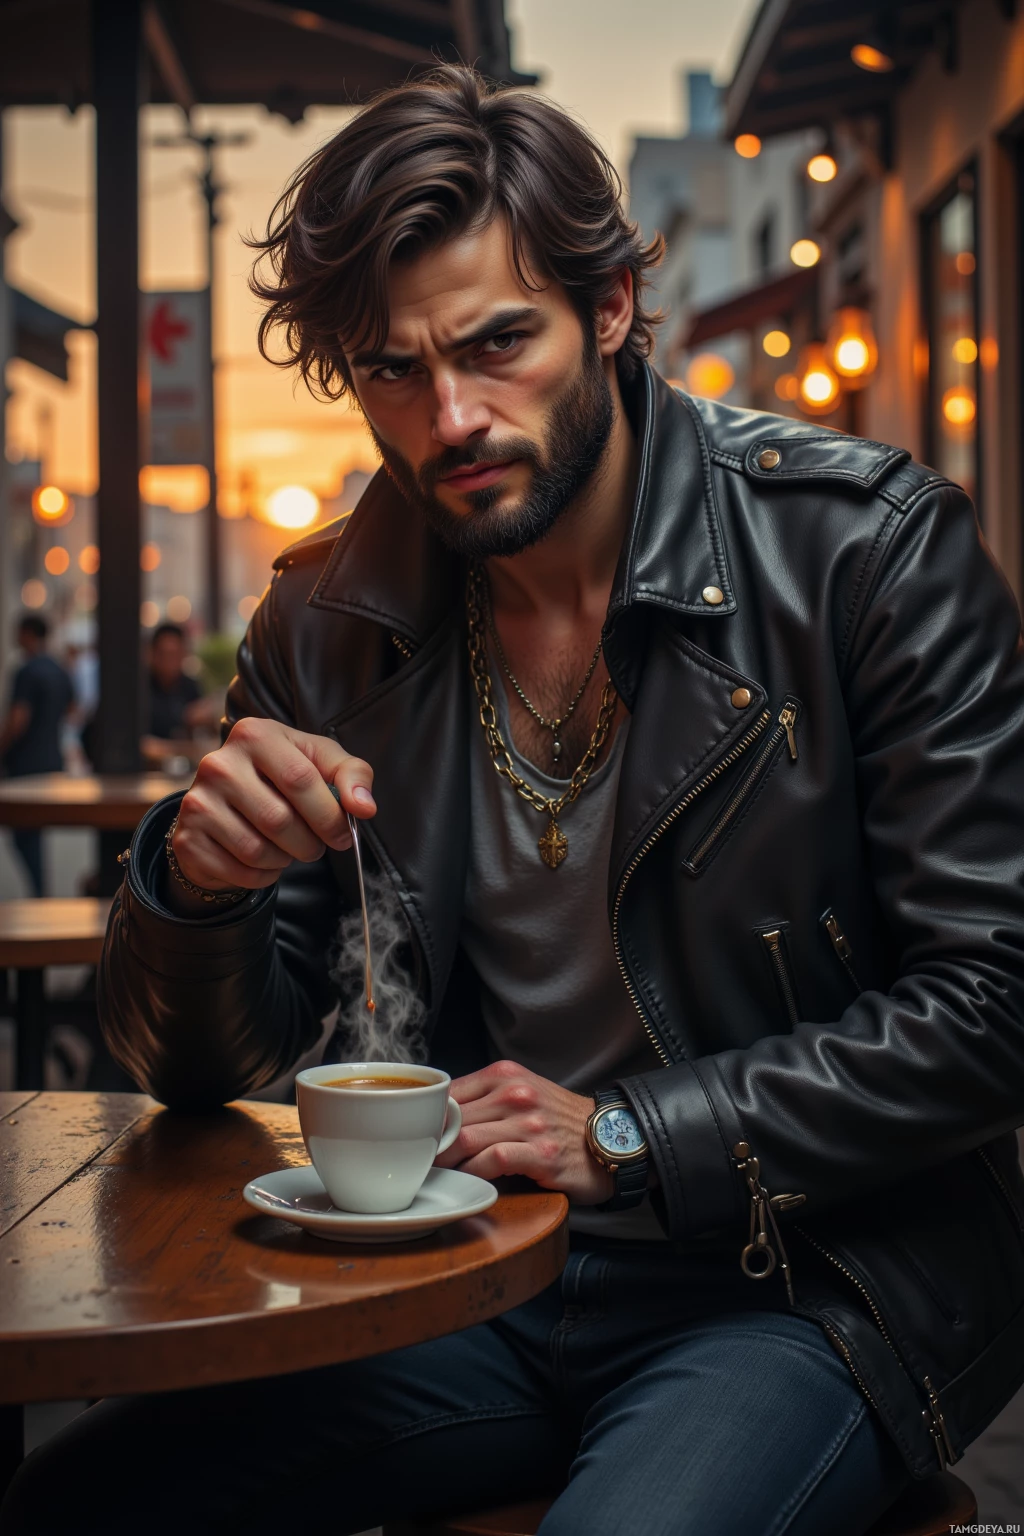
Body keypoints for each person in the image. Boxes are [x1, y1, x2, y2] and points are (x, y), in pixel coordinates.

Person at [4, 66, 1023, 1536]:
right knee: (70, 1508)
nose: (451, 417)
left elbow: (996, 1000)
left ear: (609, 307)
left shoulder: (866, 552)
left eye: (498, 344)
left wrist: (630, 1134)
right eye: (391, 372)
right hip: (474, 1263)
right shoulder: (322, 618)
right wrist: (195, 887)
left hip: (804, 1276)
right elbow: (211, 1066)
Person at [0, 614, 73, 896]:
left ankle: (39, 892)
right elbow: (72, 708)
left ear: (27, 634)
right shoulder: (58, 668)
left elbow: (18, 719)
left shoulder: (26, 671)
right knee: (34, 832)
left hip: (26, 762)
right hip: (52, 758)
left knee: (24, 834)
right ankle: (40, 890)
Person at [142, 622, 213, 765]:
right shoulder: (141, 689)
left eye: (175, 654)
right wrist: (184, 749)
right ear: (153, 654)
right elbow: (141, 745)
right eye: (164, 654)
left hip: (185, 771)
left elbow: (209, 735)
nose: (170, 662)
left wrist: (207, 720)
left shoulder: (190, 686)